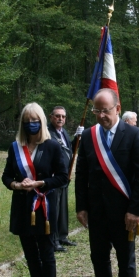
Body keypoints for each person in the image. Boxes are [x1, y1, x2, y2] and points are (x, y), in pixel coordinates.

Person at [75, 89, 139, 277]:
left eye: (105, 110)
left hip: (124, 213)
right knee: (99, 259)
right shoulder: (89, 136)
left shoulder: (133, 135)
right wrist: (81, 206)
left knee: (125, 260)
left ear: (117, 108)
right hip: (96, 212)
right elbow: (81, 175)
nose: (100, 116)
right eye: (97, 111)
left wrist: (135, 210)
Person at [1, 102, 68, 277]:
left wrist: (39, 183)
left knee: (46, 254)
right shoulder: (15, 147)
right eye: (27, 121)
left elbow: (62, 177)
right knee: (30, 255)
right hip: (22, 208)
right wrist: (17, 185)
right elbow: (6, 176)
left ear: (42, 121)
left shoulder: (52, 146)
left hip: (44, 208)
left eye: (35, 121)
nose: (31, 125)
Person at [47, 106, 83, 252]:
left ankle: (62, 236)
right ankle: (53, 240)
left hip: (64, 177)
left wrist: (76, 138)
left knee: (62, 209)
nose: (60, 118)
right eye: (57, 116)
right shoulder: (48, 134)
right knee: (54, 209)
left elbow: (70, 149)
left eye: (63, 116)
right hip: (54, 177)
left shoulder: (63, 133)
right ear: (51, 117)